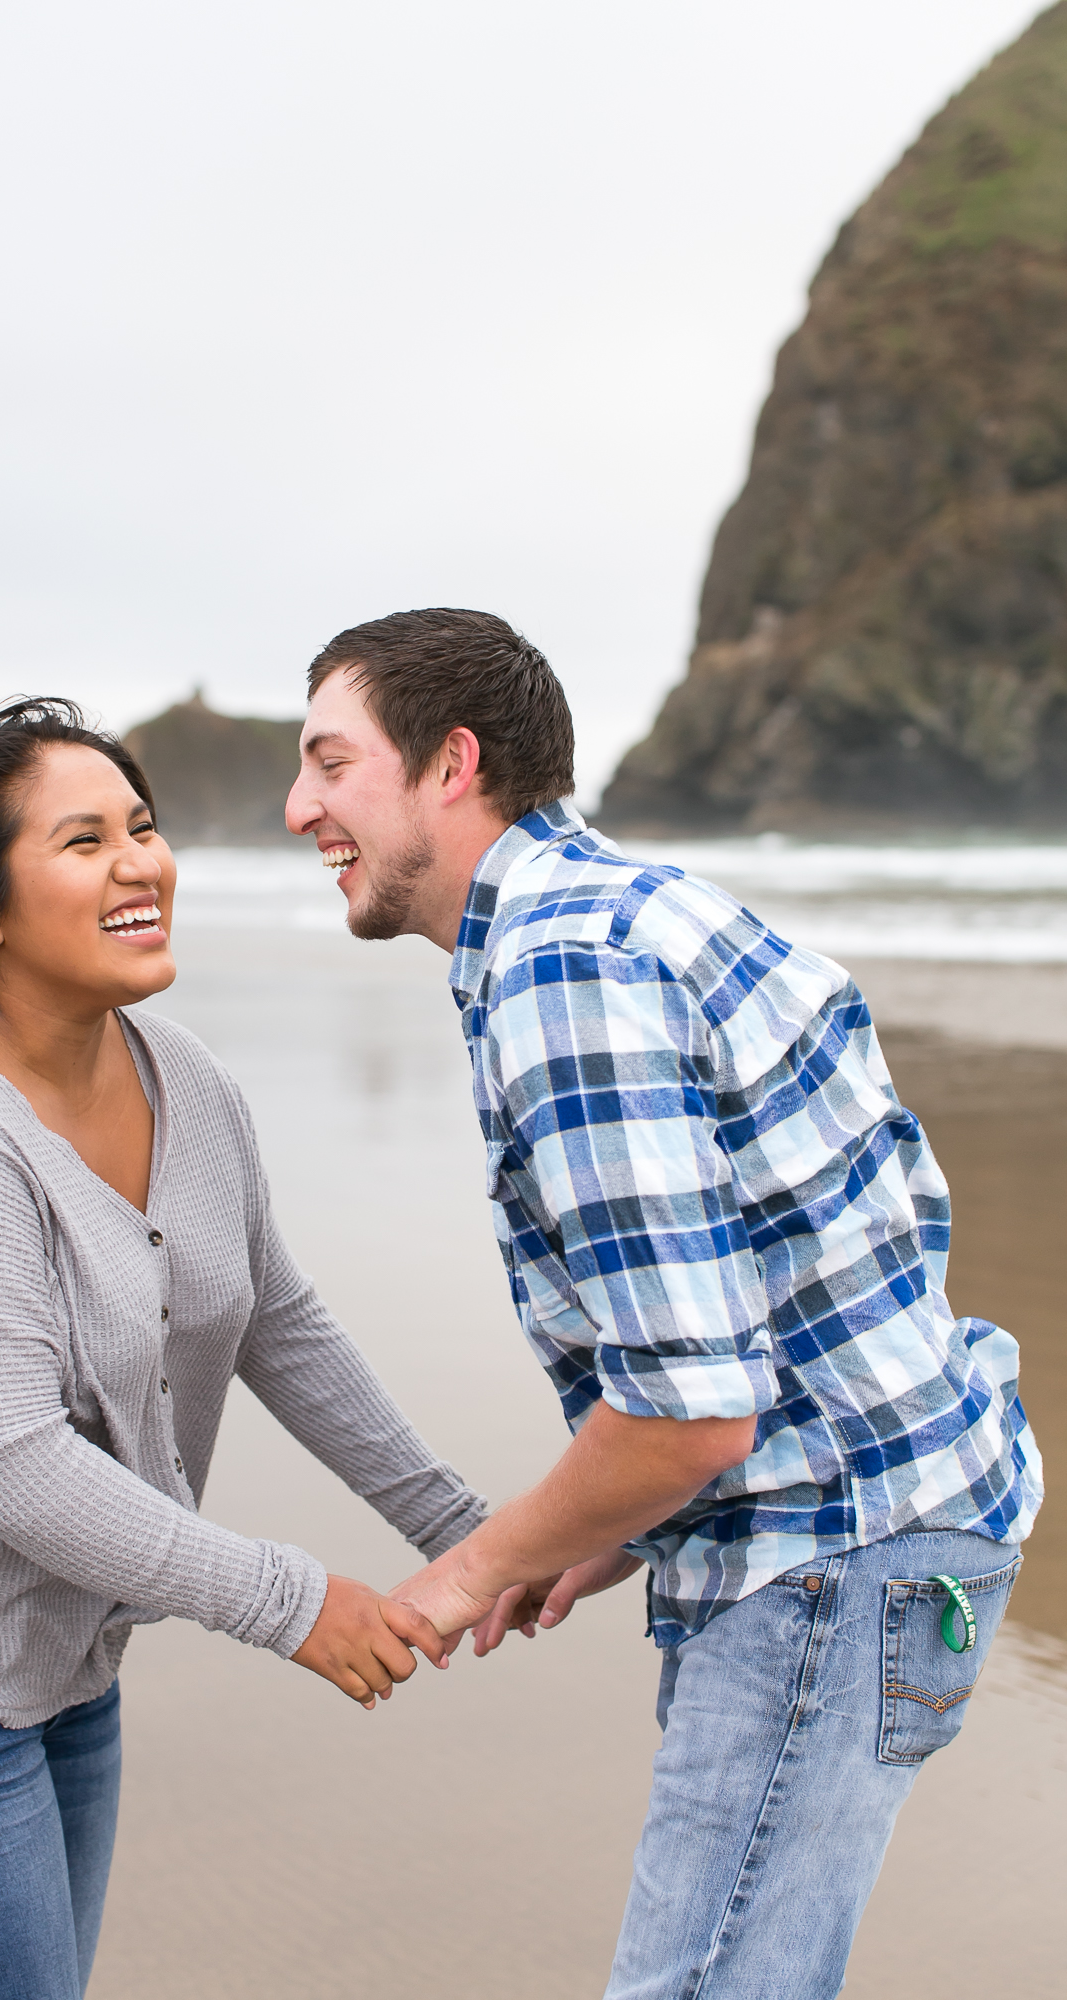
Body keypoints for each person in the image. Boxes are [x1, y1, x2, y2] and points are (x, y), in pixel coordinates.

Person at [285, 608, 1043, 2000]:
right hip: (915, 1512)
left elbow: (692, 1412)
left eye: (330, 764)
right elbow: (827, 1261)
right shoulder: (647, 912)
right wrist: (611, 1532)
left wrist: (477, 1566)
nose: (297, 808)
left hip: (821, 1563)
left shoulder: (561, 971)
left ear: (450, 765)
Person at [0, 698, 484, 2000]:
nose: (141, 861)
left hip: (56, 1658)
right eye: (83, 841)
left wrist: (463, 1529)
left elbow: (276, 1318)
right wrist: (293, 1602)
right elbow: (7, 1463)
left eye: (142, 825)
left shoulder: (177, 1073)